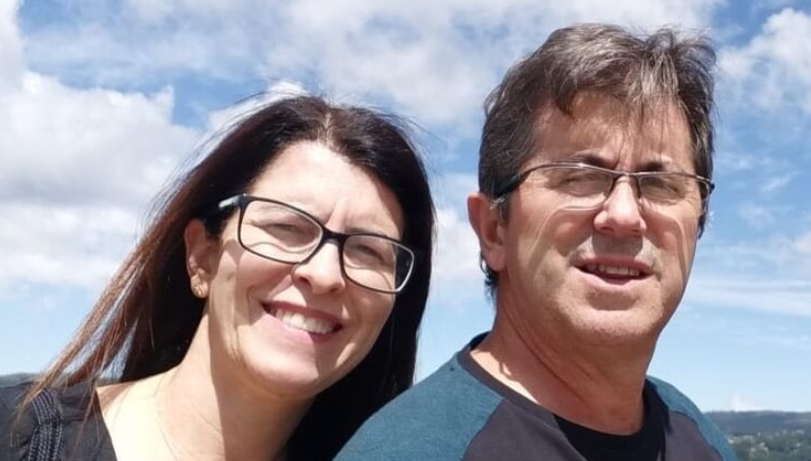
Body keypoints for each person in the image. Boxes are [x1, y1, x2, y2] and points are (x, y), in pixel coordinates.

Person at [335, 24, 738, 461]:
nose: (624, 216)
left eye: (661, 184)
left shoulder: (702, 442)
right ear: (494, 229)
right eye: (580, 178)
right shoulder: (411, 451)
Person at [0, 95, 435, 461]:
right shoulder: (18, 436)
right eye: (286, 227)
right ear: (202, 256)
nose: (323, 274)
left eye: (368, 250)